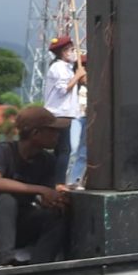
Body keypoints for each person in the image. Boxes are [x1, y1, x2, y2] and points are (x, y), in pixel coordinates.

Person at [0, 106, 70, 267]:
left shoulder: (47, 161)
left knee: (56, 216)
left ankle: (40, 267)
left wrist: (53, 200)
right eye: (53, 130)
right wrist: (39, 189)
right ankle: (3, 262)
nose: (58, 135)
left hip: (19, 221)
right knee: (6, 200)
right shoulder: (3, 152)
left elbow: (43, 196)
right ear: (36, 133)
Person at [43, 36, 84, 187]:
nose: (74, 53)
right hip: (59, 114)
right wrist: (77, 76)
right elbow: (63, 90)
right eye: (72, 50)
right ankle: (58, 182)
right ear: (63, 52)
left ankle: (55, 181)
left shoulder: (66, 67)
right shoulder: (59, 67)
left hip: (64, 114)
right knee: (64, 150)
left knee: (61, 149)